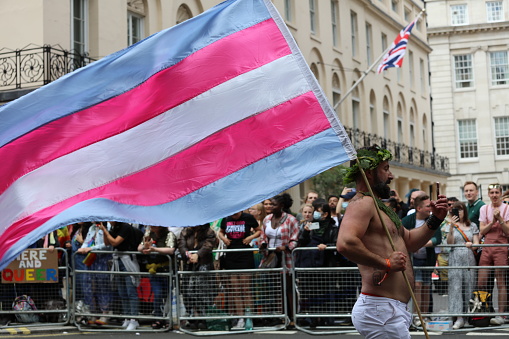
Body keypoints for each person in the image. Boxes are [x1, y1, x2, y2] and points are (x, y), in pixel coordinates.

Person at [336, 145, 448, 339]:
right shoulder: (362, 203)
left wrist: (435, 219)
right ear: (369, 173)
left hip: (389, 310)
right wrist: (386, 263)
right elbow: (345, 243)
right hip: (380, 310)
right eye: (386, 168)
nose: (391, 176)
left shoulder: (382, 208)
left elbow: (411, 242)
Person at [401, 195, 442, 327]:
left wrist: (421, 243)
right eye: (428, 206)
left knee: (426, 287)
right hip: (413, 261)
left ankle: (424, 316)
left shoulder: (432, 220)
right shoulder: (406, 221)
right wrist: (413, 245)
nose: (431, 208)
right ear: (418, 208)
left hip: (427, 259)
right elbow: (401, 237)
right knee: (417, 286)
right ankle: (417, 316)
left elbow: (438, 238)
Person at [259, 193, 299, 325]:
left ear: (281, 206)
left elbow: (295, 239)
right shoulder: (267, 219)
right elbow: (263, 236)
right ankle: (281, 316)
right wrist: (263, 245)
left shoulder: (290, 219)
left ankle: (293, 317)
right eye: (269, 204)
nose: (270, 206)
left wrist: (286, 247)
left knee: (288, 288)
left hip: (285, 258)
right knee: (276, 289)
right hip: (270, 258)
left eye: (273, 204)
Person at [218, 211, 261, 329]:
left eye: (236, 213)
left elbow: (259, 230)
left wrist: (250, 237)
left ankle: (249, 316)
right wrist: (224, 239)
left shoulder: (248, 217)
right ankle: (240, 318)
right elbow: (220, 232)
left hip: (245, 255)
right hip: (231, 255)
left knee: (246, 288)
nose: (234, 215)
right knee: (236, 289)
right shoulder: (226, 218)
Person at [476, 184, 509, 325]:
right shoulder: (484, 208)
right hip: (487, 247)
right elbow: (482, 230)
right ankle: (484, 312)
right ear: (488, 194)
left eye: (497, 192)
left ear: (501, 194)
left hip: (501, 247)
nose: (494, 195)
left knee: (501, 282)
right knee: (481, 281)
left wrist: (500, 219)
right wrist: (493, 222)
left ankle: (501, 315)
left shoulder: (507, 208)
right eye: (492, 192)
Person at [100, 222, 142, 331]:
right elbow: (107, 243)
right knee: (122, 292)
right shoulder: (115, 228)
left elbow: (115, 242)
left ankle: (134, 319)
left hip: (128, 260)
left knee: (130, 291)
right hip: (118, 261)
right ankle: (127, 317)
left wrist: (105, 231)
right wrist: (105, 231)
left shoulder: (125, 227)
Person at [446, 202, 479, 329]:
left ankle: (467, 316)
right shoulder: (451, 225)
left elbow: (477, 244)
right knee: (455, 287)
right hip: (455, 258)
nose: (458, 212)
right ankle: (458, 317)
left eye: (460, 210)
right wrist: (451, 228)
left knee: (469, 286)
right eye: (455, 210)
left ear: (465, 211)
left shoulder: (472, 225)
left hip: (469, 258)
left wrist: (472, 244)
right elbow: (450, 243)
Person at [178, 223, 217, 330]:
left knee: (202, 292)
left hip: (204, 264)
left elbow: (208, 245)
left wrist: (198, 255)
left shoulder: (209, 232)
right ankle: (192, 317)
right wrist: (188, 255)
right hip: (189, 265)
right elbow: (181, 245)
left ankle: (202, 318)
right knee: (188, 291)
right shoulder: (185, 231)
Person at [138, 225, 177, 329]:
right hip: (154, 270)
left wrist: (154, 249)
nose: (152, 227)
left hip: (166, 269)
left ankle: (169, 318)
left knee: (168, 294)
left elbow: (171, 250)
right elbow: (140, 247)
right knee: (158, 293)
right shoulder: (148, 235)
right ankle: (158, 318)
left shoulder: (169, 235)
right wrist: (145, 248)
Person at [77, 221, 112, 325]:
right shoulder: (92, 227)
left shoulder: (108, 227)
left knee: (103, 286)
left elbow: (107, 245)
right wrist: (83, 248)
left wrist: (91, 248)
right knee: (89, 287)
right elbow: (87, 241)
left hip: (102, 260)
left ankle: (105, 313)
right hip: (90, 260)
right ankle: (94, 312)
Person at [435, 197, 459, 295]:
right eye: (449, 204)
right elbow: (437, 237)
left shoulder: (461, 220)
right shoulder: (442, 220)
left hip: (456, 253)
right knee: (444, 281)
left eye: (454, 204)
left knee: (456, 279)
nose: (451, 207)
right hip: (443, 253)